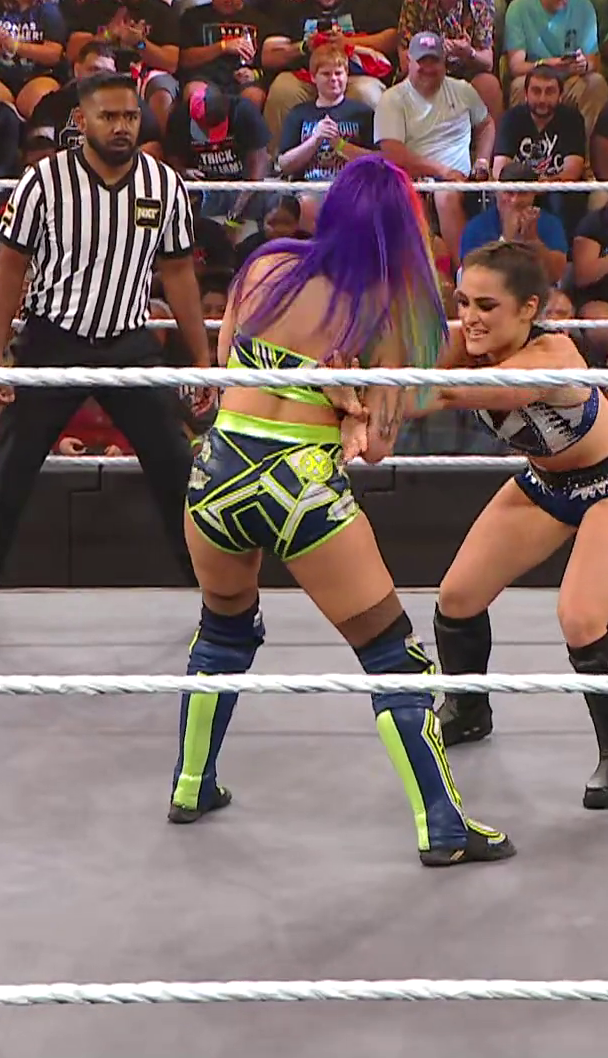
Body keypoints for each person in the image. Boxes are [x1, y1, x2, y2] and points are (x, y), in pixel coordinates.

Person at [168, 154, 513, 867]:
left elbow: (230, 368)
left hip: (216, 475)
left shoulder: (265, 266)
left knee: (223, 631)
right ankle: (443, 827)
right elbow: (378, 449)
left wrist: (320, 392)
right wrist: (350, 409)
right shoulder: (381, 313)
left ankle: (191, 783)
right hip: (298, 486)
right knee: (393, 657)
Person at [0, 72, 212, 643]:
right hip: (53, 340)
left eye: (130, 117)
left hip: (129, 343)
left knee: (177, 471)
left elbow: (179, 273)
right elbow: (10, 267)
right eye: (109, 116)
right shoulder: (44, 182)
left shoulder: (162, 184)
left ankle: (221, 603)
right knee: (7, 474)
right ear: (82, 121)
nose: (122, 127)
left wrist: (201, 358)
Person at [425, 239, 608, 811]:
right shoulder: (464, 342)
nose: (470, 318)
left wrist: (373, 390)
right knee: (457, 598)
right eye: (463, 302)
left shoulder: (553, 355)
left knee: (581, 618)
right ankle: (468, 709)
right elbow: (409, 390)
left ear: (529, 308)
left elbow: (444, 392)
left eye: (487, 306)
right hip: (546, 485)